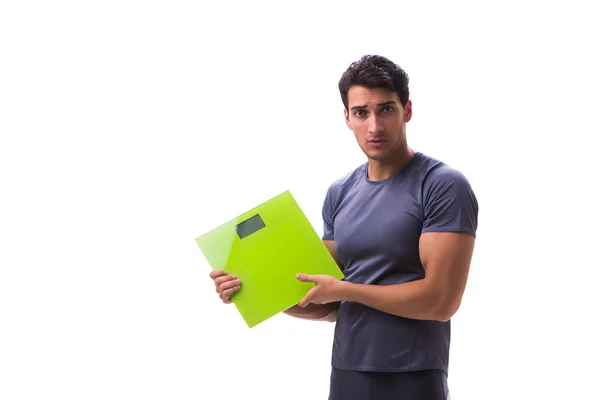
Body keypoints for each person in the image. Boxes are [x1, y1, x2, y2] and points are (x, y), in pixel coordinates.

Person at [209, 54, 478, 400]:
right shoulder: (340, 192)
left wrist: (348, 289)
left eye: (386, 109)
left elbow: (441, 301)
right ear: (347, 118)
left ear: (407, 110)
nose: (374, 127)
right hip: (348, 372)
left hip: (414, 374)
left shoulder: (442, 185)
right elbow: (326, 302)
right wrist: (253, 290)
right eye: (361, 113)